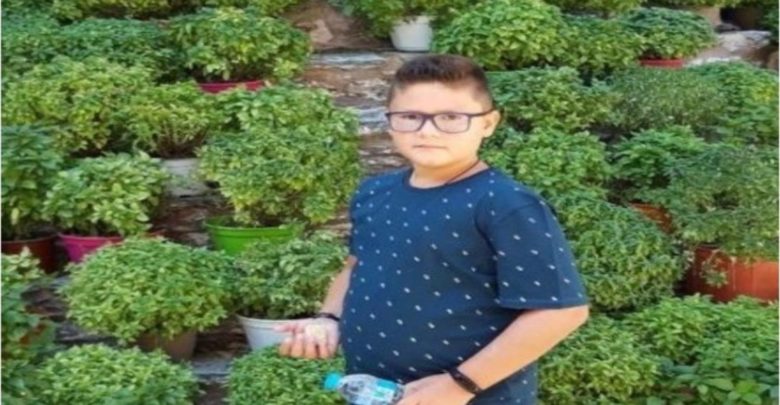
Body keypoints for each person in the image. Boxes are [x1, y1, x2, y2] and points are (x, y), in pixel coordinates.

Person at [276, 54, 590, 405]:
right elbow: (356, 266)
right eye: (411, 117)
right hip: (376, 392)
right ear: (390, 121)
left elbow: (560, 312)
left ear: (488, 123)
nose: (427, 130)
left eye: (451, 118)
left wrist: (458, 386)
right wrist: (328, 318)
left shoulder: (505, 203)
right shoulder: (374, 193)